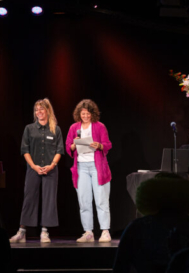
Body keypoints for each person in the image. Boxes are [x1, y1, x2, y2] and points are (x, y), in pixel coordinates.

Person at [10, 98, 64, 243]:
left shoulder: (55, 129)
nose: (38, 112)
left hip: (50, 169)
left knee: (48, 199)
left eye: (41, 109)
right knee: (29, 198)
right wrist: (34, 166)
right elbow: (25, 150)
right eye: (36, 110)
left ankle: (45, 231)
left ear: (47, 110)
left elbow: (59, 150)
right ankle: (22, 232)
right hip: (33, 169)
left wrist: (52, 165)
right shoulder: (29, 129)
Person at [65, 99, 113, 242]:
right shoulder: (74, 127)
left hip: (97, 166)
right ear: (79, 114)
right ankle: (88, 232)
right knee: (84, 201)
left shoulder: (99, 126)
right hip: (81, 167)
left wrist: (99, 145)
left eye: (88, 114)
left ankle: (105, 231)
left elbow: (108, 144)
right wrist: (73, 146)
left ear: (93, 114)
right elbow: (68, 145)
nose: (85, 116)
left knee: (101, 200)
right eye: (83, 114)